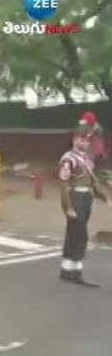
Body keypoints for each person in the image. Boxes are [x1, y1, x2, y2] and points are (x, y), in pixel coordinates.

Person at [58, 119, 112, 287]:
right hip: (75, 198)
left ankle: (66, 269)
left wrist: (105, 197)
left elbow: (94, 182)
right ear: (74, 139)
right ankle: (76, 271)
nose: (85, 142)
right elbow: (64, 185)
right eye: (81, 138)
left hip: (86, 198)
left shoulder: (87, 160)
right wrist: (68, 207)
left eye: (87, 140)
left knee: (73, 233)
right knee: (81, 235)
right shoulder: (69, 159)